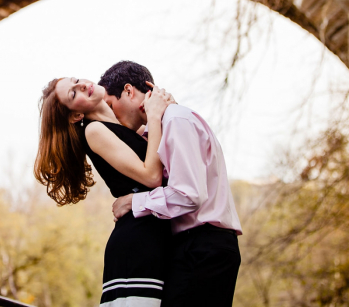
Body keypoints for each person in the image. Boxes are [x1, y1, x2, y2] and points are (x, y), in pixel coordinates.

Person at [100, 61, 243, 307]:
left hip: (204, 248)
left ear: (129, 91)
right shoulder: (162, 126)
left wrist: (135, 202)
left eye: (111, 106)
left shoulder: (177, 120)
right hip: (192, 247)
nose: (112, 115)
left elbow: (188, 195)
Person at [35, 76, 175, 306]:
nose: (82, 85)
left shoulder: (125, 127)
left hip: (158, 237)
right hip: (138, 244)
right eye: (73, 93)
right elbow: (151, 176)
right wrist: (154, 115)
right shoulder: (94, 131)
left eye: (76, 80)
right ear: (76, 116)